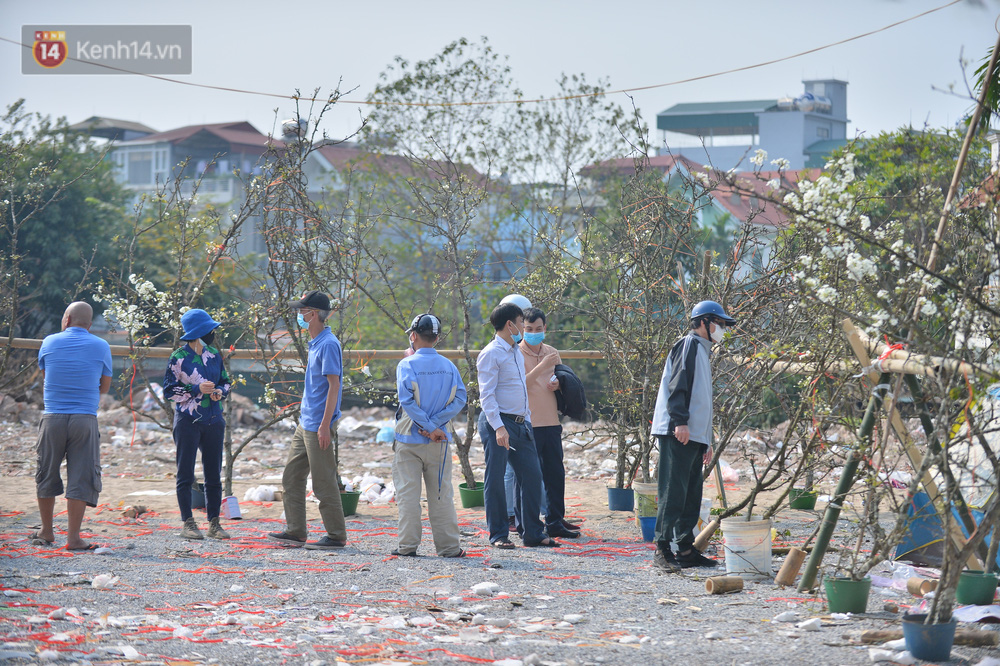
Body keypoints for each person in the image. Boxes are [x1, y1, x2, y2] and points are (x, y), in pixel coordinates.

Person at [650, 300, 736, 572]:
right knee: (673, 492)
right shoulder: (688, 344)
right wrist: (680, 422)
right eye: (718, 323)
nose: (721, 328)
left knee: (690, 494)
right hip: (678, 431)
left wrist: (705, 439)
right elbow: (679, 386)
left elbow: (702, 401)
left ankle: (685, 548)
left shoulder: (702, 350)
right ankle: (662, 548)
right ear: (702, 322)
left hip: (692, 435)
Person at [269, 290, 348, 550]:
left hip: (318, 425)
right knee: (292, 477)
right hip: (307, 423)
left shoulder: (328, 344)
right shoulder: (316, 342)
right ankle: (296, 530)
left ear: (313, 314)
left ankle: (336, 535)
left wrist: (325, 425)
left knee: (323, 480)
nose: (299, 316)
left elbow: (333, 387)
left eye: (302, 311)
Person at [477, 301, 559, 549]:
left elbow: (520, 389)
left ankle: (533, 533)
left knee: (532, 476)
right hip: (499, 422)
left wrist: (527, 421)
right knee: (496, 478)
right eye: (522, 322)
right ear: (510, 324)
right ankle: (499, 534)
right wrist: (499, 427)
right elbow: (487, 395)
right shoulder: (491, 353)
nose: (525, 327)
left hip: (521, 423)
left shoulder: (513, 351)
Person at [34, 302, 113, 550]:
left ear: (66, 319)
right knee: (81, 476)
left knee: (46, 472)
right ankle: (73, 538)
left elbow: (48, 376)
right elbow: (105, 387)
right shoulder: (102, 345)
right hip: (84, 419)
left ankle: (46, 531)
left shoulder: (48, 342)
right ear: (89, 325)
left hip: (52, 417)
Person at [391, 313, 467, 558]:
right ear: (436, 338)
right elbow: (460, 399)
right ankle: (449, 548)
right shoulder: (449, 366)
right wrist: (435, 426)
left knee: (408, 496)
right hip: (439, 441)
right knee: (441, 495)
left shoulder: (407, 365)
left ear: (413, 336)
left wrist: (426, 425)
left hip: (408, 440)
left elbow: (407, 401)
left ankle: (407, 546)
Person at [163, 309, 232, 540]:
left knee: (213, 474)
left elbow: (225, 382)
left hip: (214, 419)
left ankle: (214, 523)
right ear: (198, 332)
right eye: (209, 329)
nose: (213, 333)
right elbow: (169, 391)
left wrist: (220, 393)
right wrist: (195, 389)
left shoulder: (214, 354)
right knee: (185, 472)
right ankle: (188, 523)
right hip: (187, 421)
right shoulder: (178, 357)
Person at [518, 307, 579, 539]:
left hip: (551, 422)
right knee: (528, 477)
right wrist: (542, 367)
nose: (534, 333)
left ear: (545, 329)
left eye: (538, 329)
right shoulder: (516, 353)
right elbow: (519, 385)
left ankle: (555, 522)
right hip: (527, 424)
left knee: (555, 474)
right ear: (522, 329)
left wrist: (559, 384)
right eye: (529, 329)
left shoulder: (552, 352)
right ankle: (527, 525)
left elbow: (564, 380)